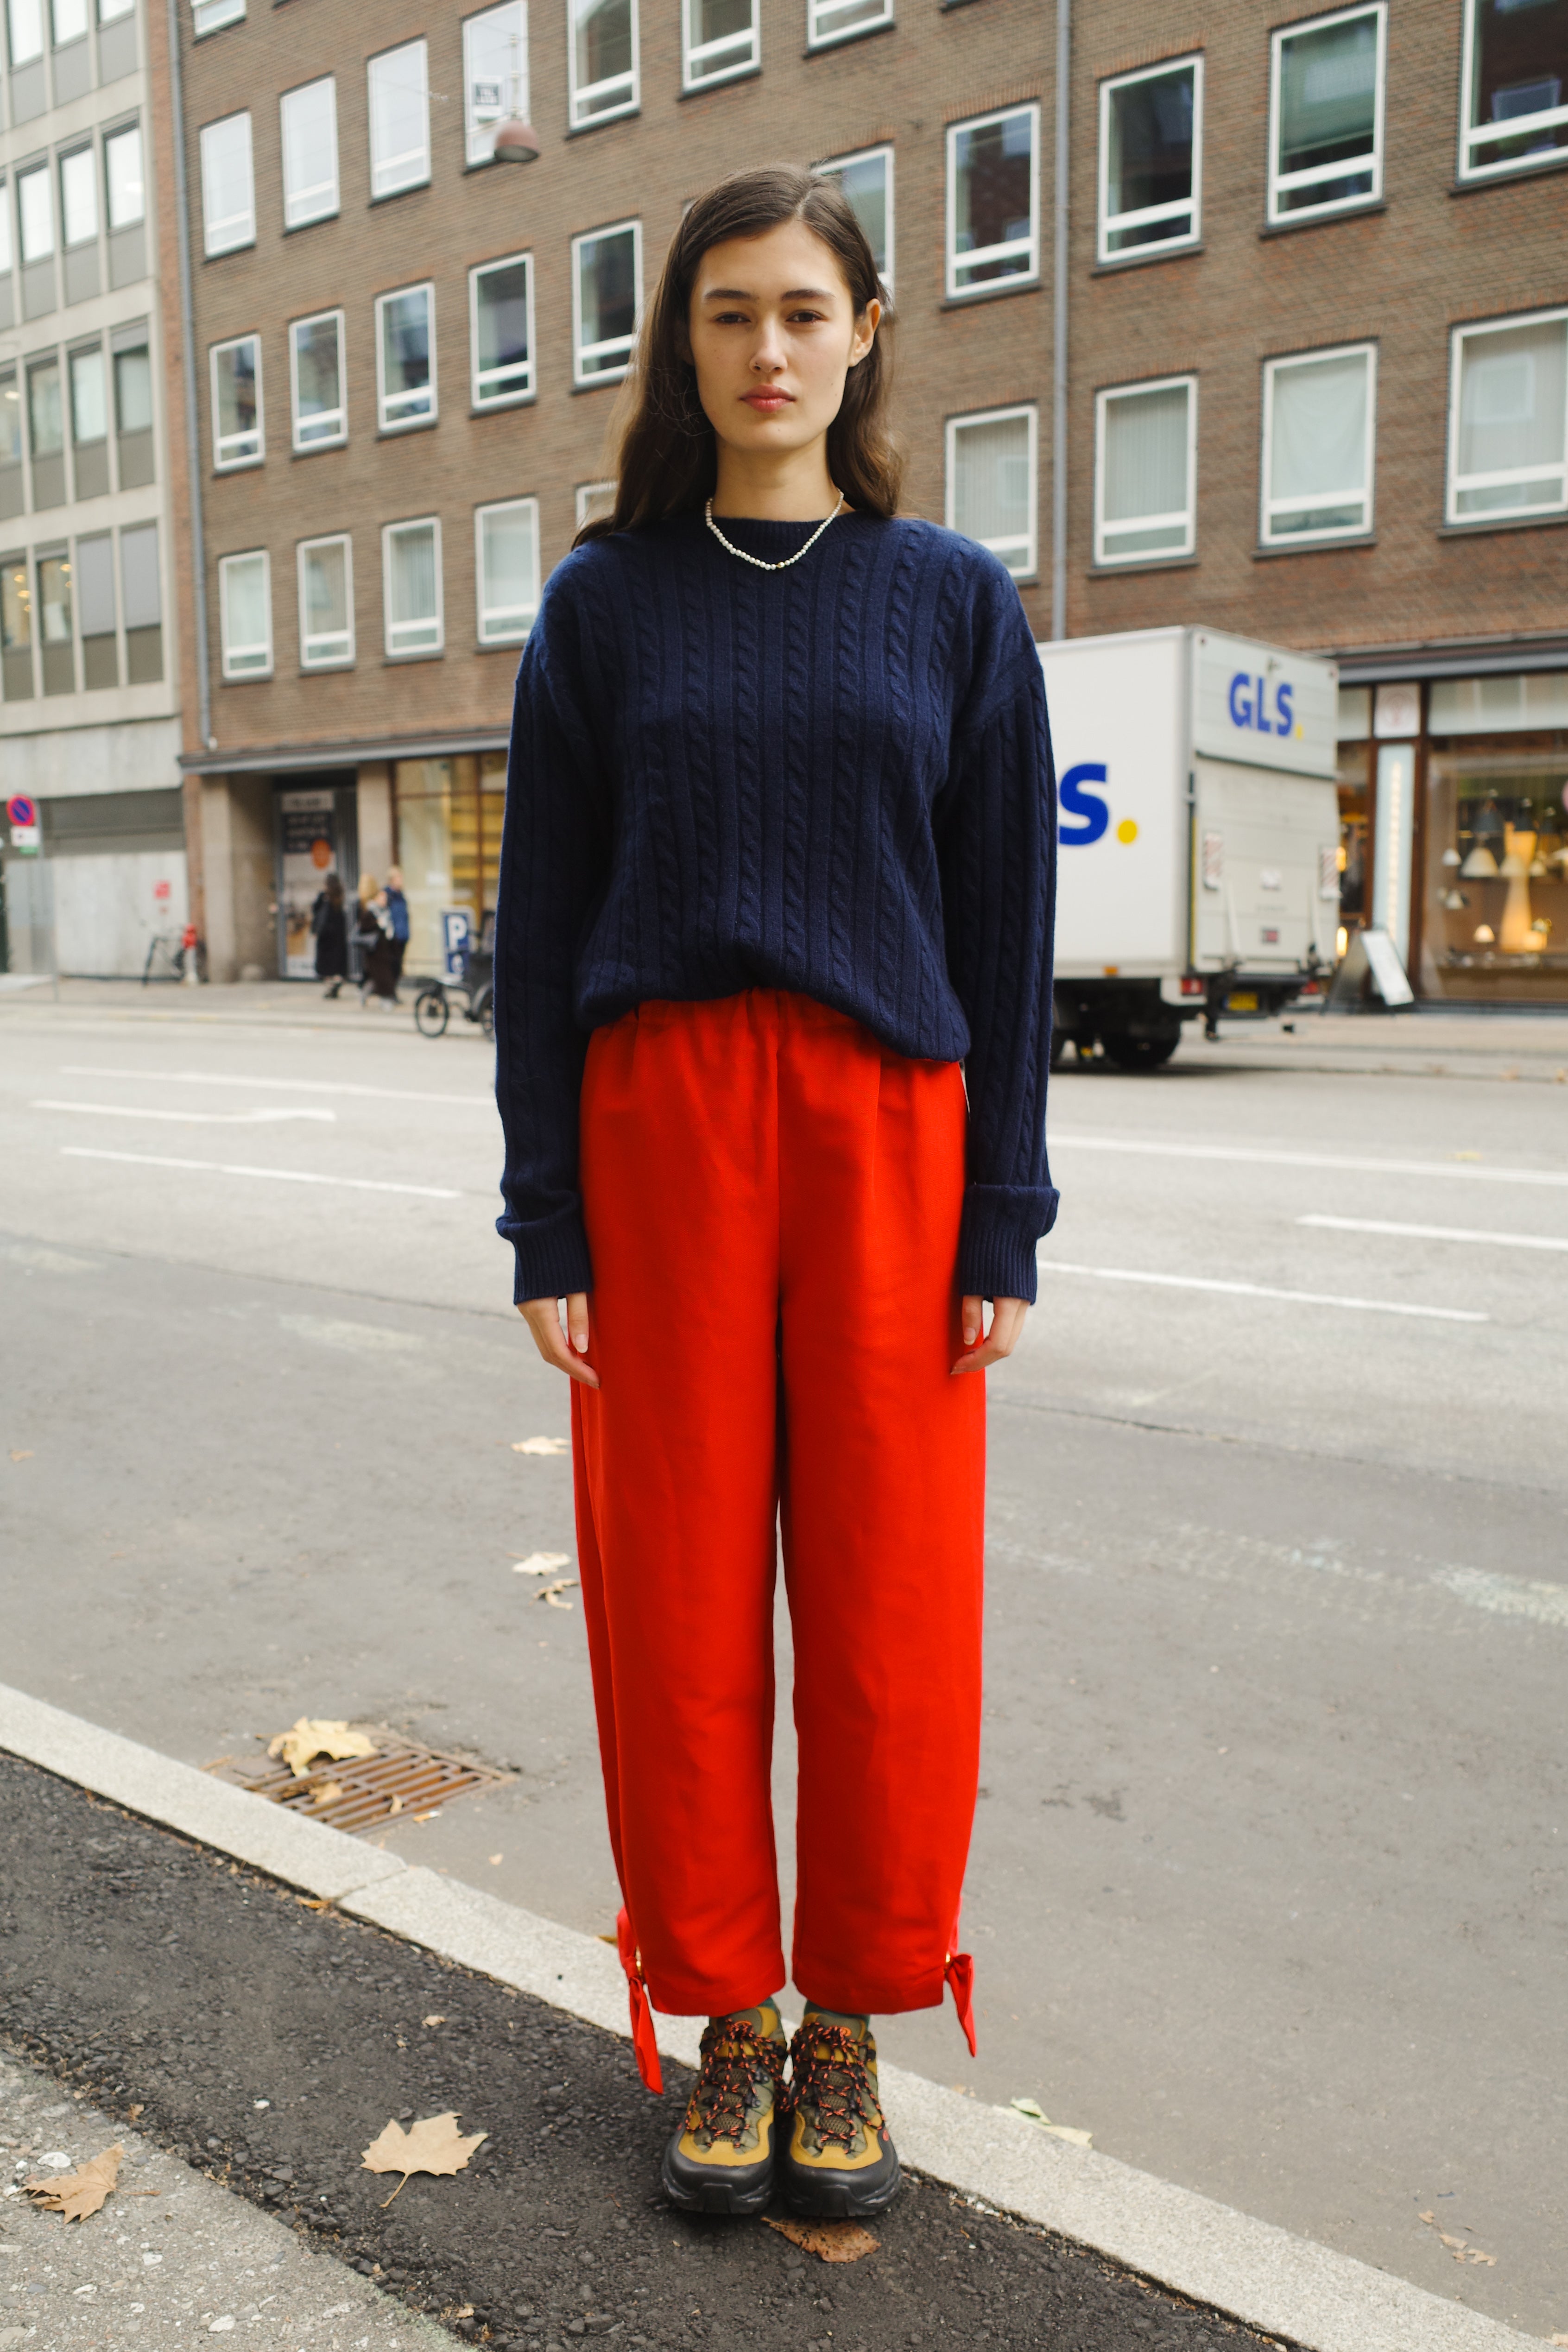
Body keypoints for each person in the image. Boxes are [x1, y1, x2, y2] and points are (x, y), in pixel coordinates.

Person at [493, 164, 1057, 2222]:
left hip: (890, 1130)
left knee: (895, 1605)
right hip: (660, 1129)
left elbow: (1003, 925)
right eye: (727, 314)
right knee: (676, 1601)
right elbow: (537, 919)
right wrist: (544, 1210)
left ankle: (853, 2023)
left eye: (804, 310)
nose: (767, 350)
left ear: (869, 332)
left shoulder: (946, 598)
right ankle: (722, 2011)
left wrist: (1003, 1211)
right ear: (686, 349)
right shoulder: (603, 601)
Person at [354, 878, 398, 1008]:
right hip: (375, 952)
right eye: (382, 898)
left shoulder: (385, 912)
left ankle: (368, 994)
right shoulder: (370, 912)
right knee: (382, 977)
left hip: (385, 951)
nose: (385, 900)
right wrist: (377, 924)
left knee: (377, 978)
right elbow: (364, 928)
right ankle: (386, 1001)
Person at [312, 872, 348, 998]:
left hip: (326, 936)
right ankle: (336, 983)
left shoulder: (324, 896)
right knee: (336, 963)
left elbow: (316, 910)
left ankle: (331, 987)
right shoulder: (340, 896)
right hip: (338, 935)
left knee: (326, 966)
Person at [384, 866, 411, 998]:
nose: (401, 880)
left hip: (403, 936)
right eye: (399, 878)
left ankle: (392, 992)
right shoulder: (387, 896)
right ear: (392, 880)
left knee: (398, 967)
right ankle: (390, 993)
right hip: (392, 937)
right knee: (392, 967)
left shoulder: (401, 896)